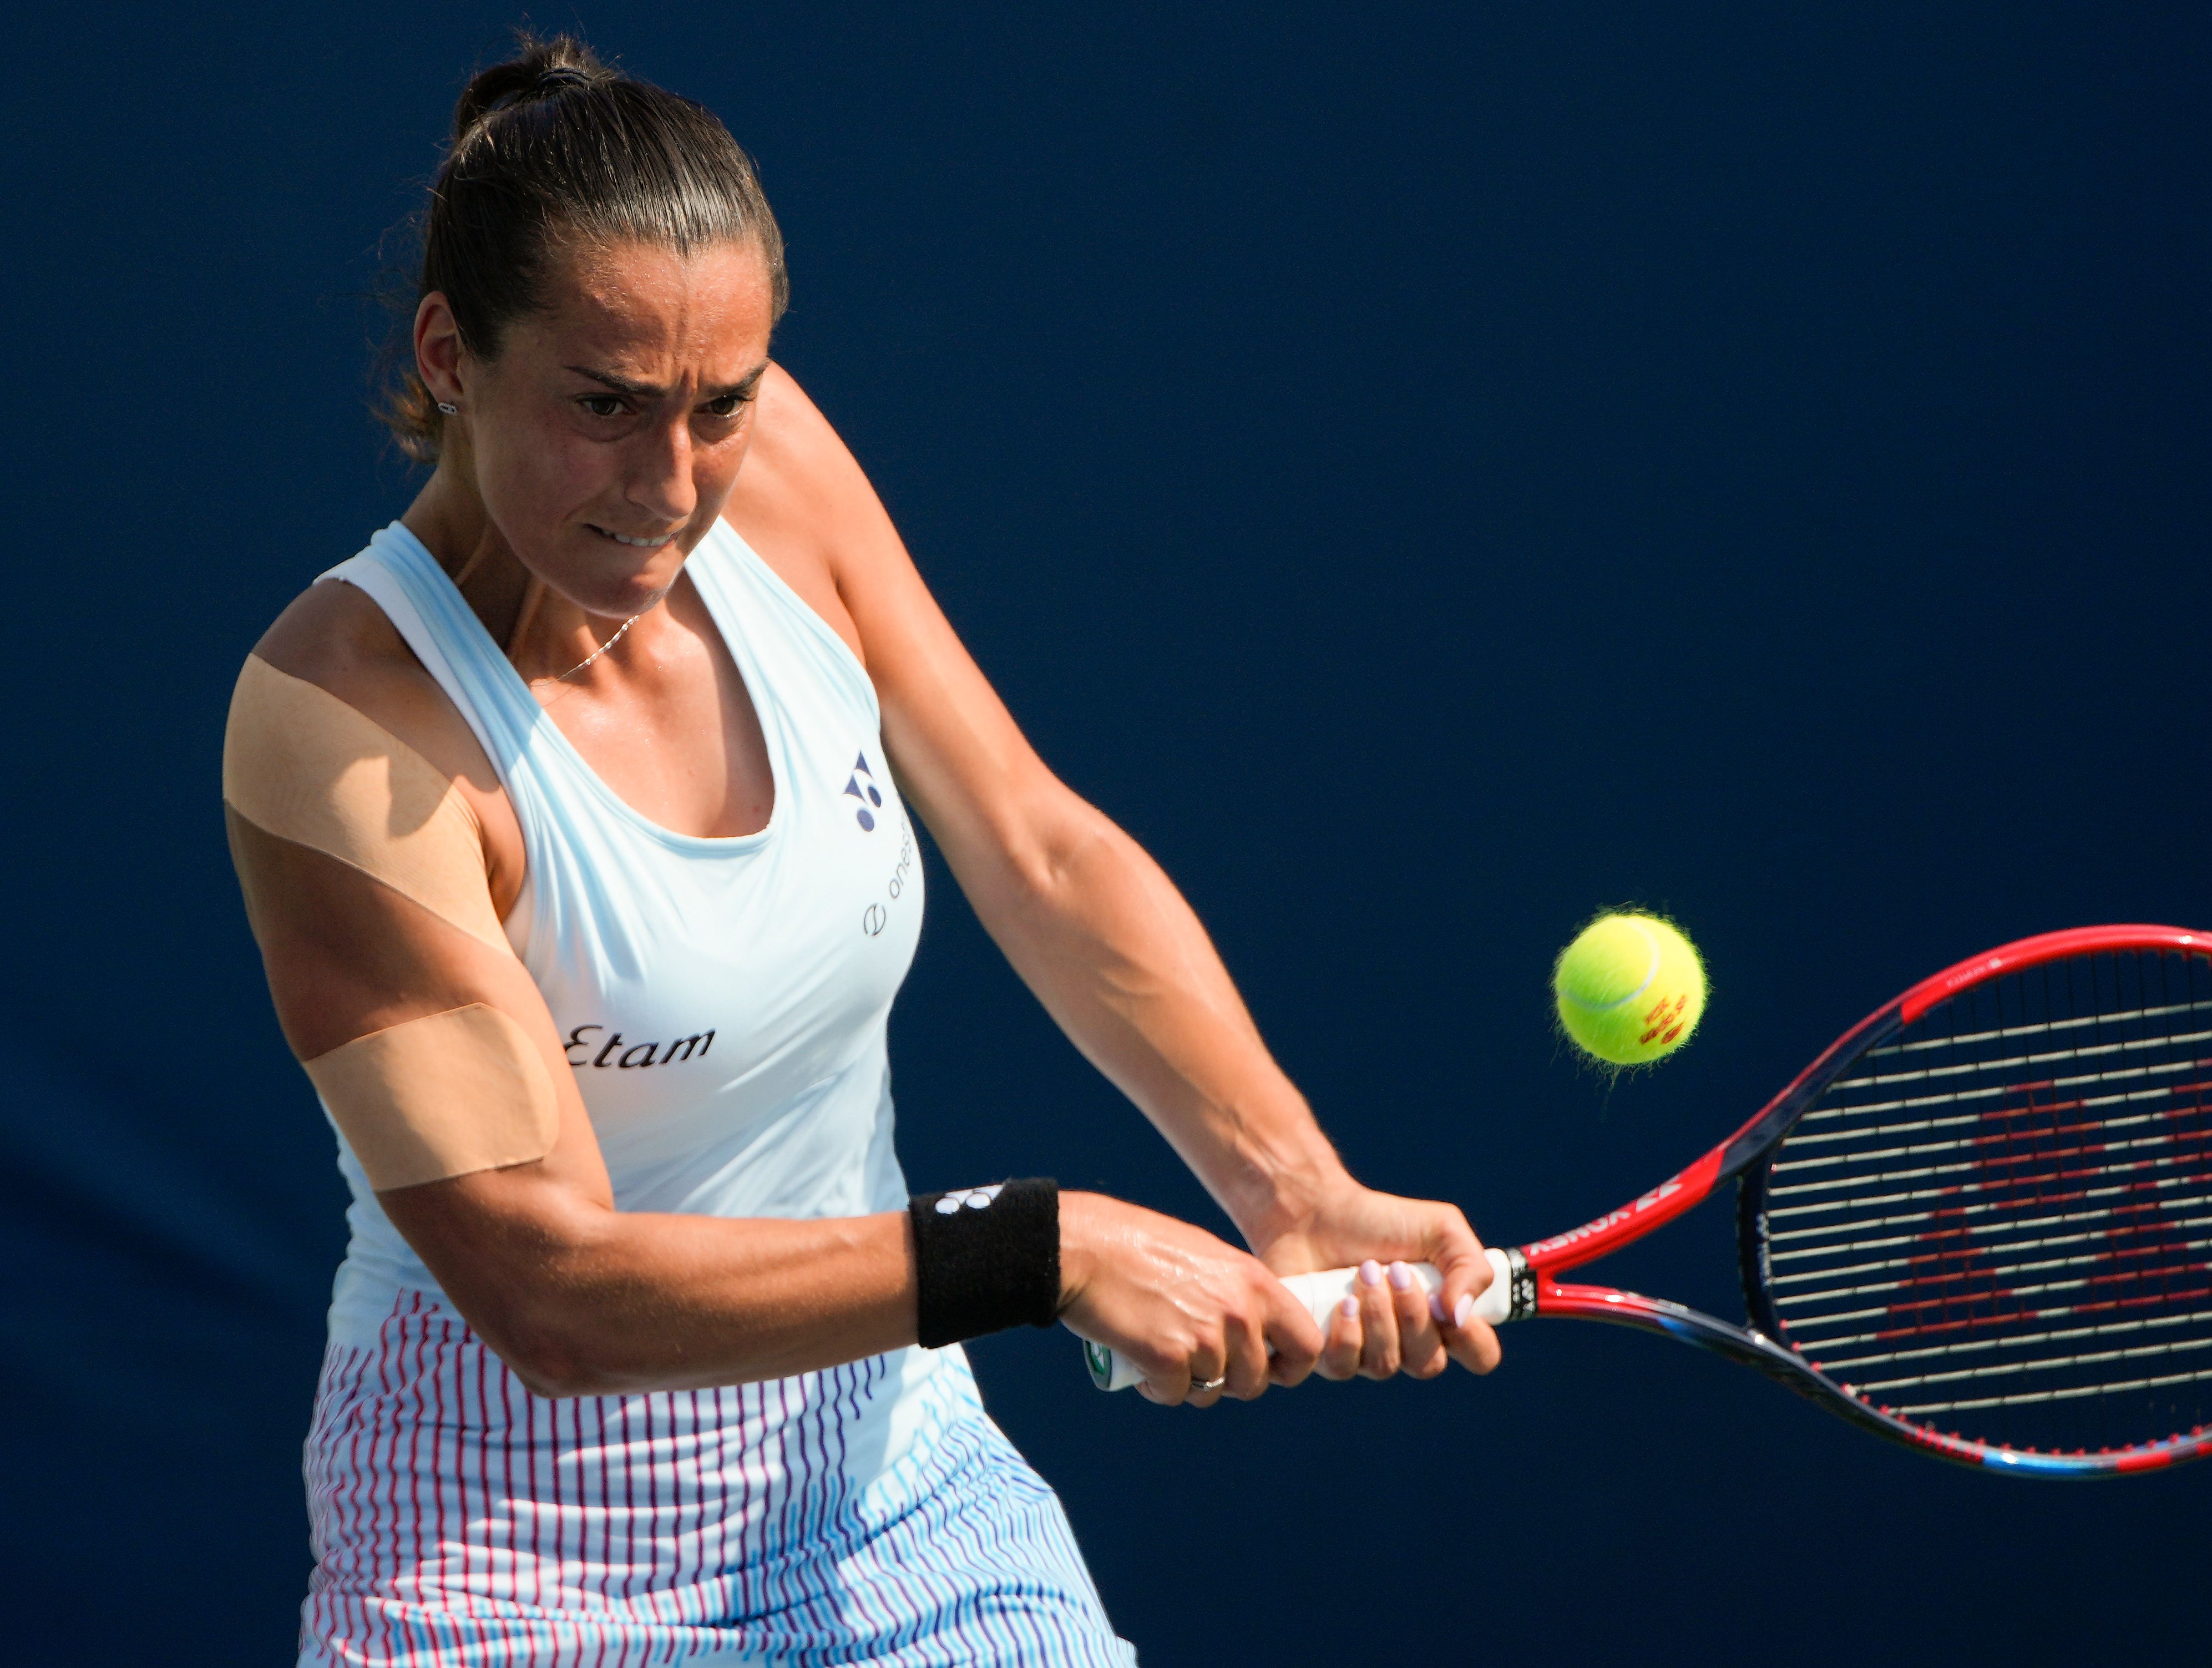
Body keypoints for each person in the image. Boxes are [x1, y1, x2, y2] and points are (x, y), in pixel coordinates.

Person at [224, 34, 1501, 1667]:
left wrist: (1295, 1190)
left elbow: (1034, 844)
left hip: (891, 1479)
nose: (671, 486)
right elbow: (549, 1291)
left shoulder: (770, 475)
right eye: (605, 407)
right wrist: (1050, 1250)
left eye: (719, 407)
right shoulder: (342, 726)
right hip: (512, 1552)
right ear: (452, 356)